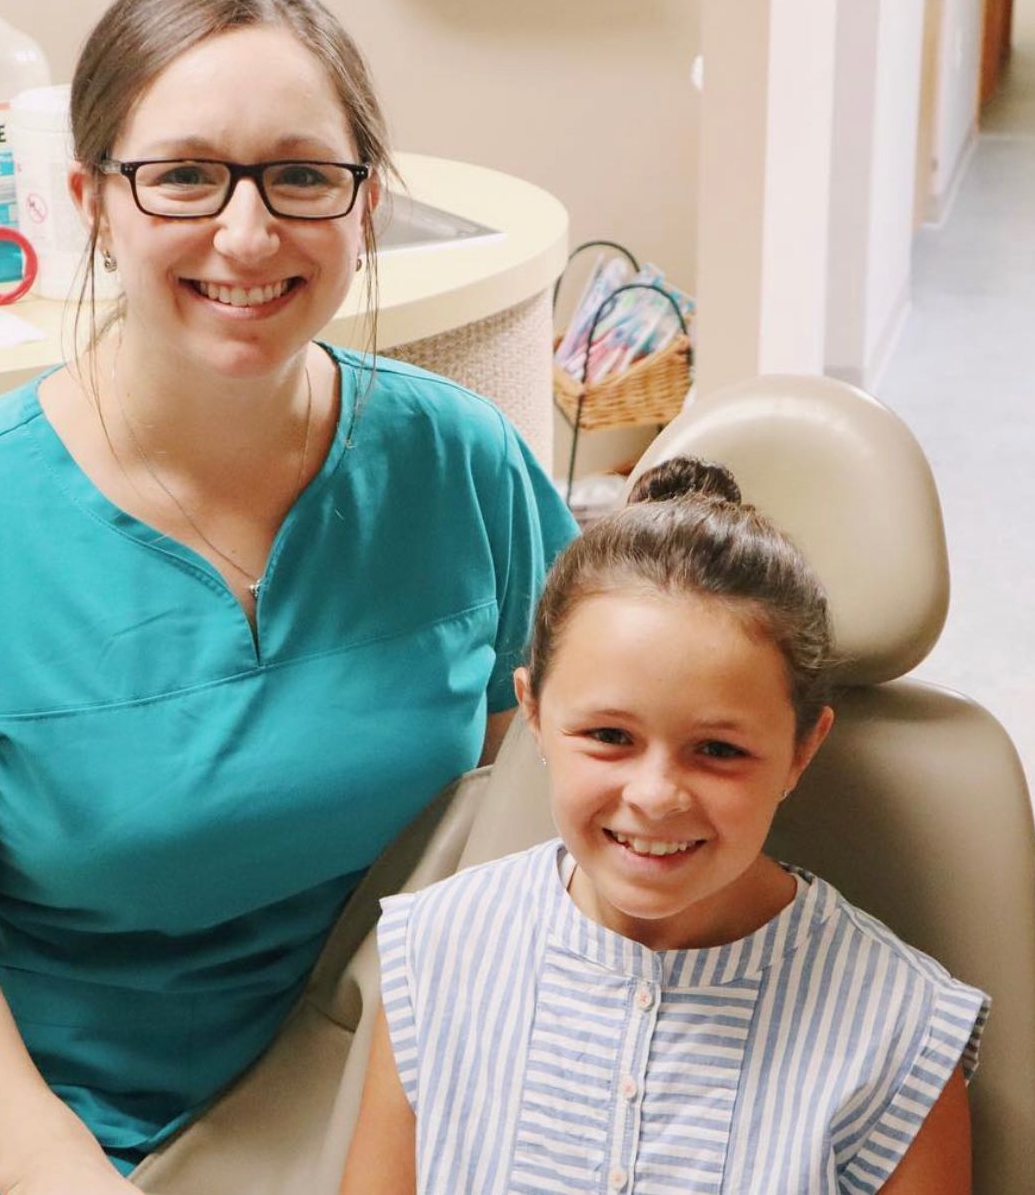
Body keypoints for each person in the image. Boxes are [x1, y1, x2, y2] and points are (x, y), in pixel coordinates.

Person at [0, 0, 576, 1195]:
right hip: (69, 1124)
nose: (247, 235)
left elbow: (519, 811)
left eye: (303, 175)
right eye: (185, 175)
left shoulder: (463, 466)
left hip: (399, 1078)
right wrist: (55, 1165)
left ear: (364, 206)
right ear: (91, 200)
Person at [341, 457, 989, 1195]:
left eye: (718, 750)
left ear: (801, 751)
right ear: (535, 715)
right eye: (609, 736)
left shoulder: (899, 1032)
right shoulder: (435, 953)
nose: (655, 795)